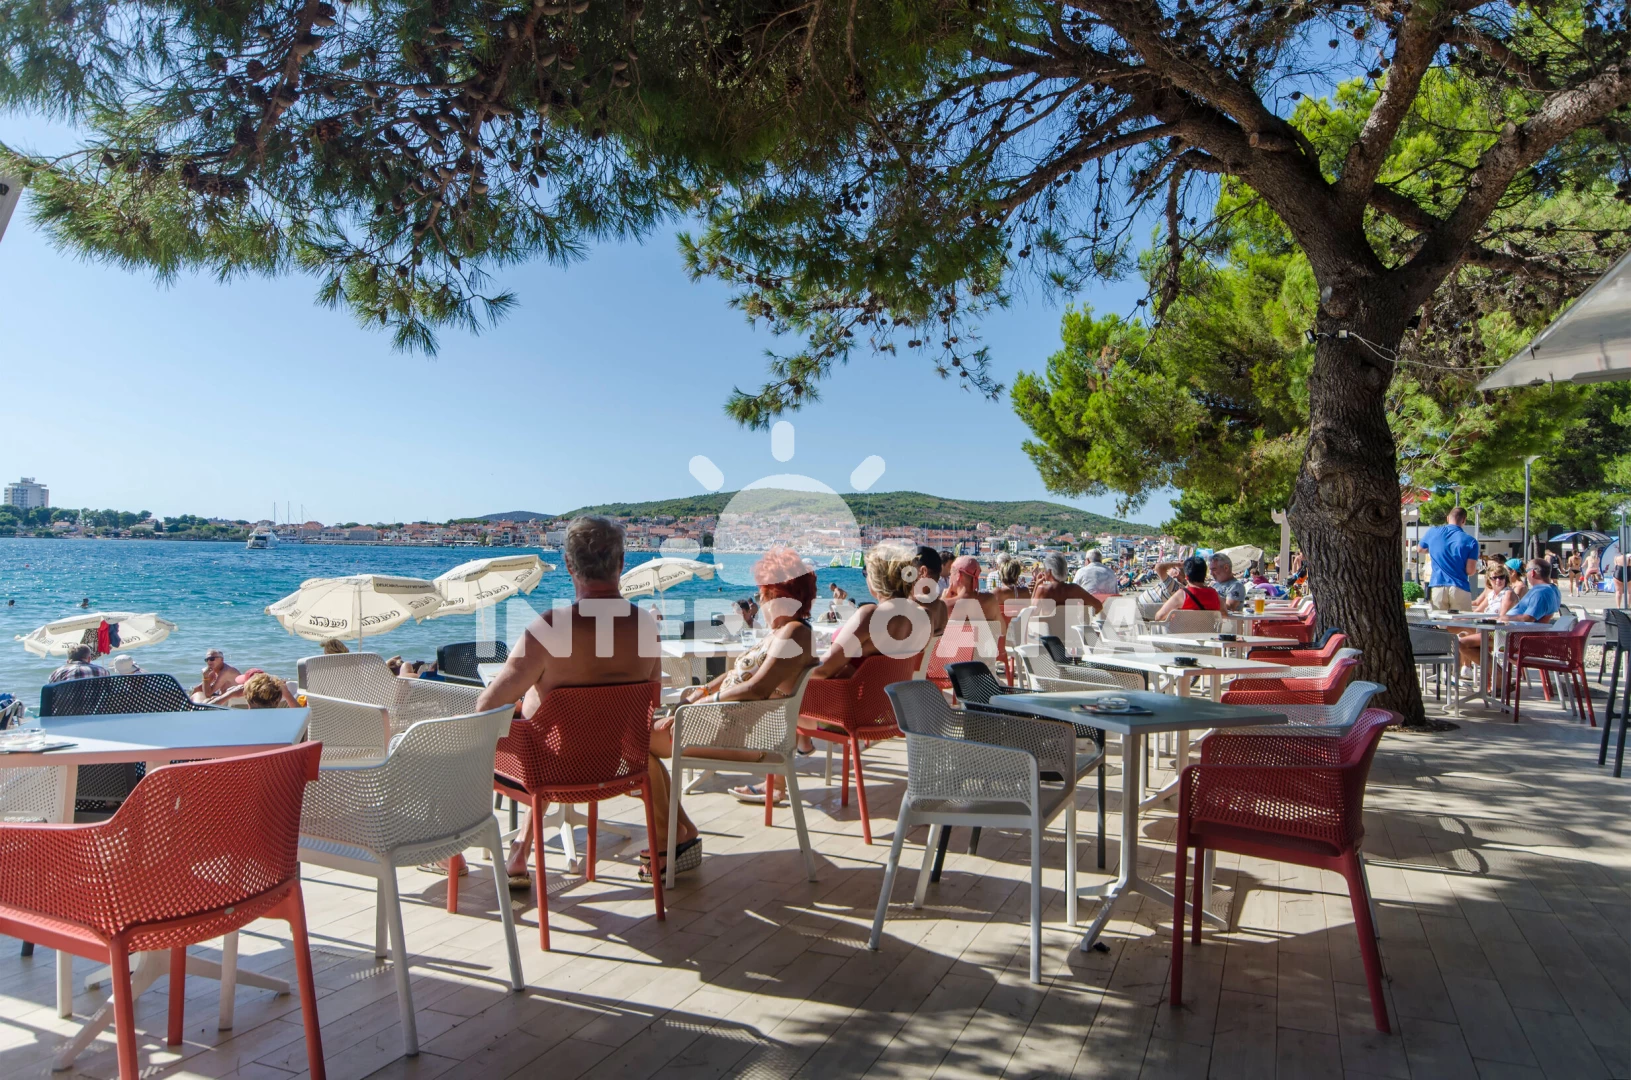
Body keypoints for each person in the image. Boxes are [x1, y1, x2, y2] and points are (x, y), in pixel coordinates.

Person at [476, 515, 680, 886]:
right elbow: (646, 703)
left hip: (549, 768)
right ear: (621, 563)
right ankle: (520, 850)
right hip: (617, 765)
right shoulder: (646, 627)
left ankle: (460, 853)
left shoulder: (549, 628)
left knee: (505, 732)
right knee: (554, 731)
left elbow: (485, 708)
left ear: (569, 566)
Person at [658, 548, 820, 805]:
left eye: (761, 596)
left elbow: (757, 689)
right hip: (725, 727)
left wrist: (702, 704)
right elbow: (736, 674)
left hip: (741, 738)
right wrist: (701, 692)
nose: (760, 604)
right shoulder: (784, 632)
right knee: (642, 734)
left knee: (637, 739)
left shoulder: (794, 634)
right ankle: (668, 818)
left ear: (774, 595)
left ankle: (669, 821)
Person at [1418, 507, 1481, 610]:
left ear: (1447, 518)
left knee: (1439, 619)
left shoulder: (1433, 532)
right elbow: (1470, 571)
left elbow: (1420, 549)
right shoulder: (1471, 541)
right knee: (1462, 620)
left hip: (1437, 585)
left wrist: (1436, 550)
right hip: (1460, 587)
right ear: (1464, 520)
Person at [1031, 551, 1103, 640]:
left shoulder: (1043, 589)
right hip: (1072, 636)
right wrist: (1085, 613)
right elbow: (1098, 606)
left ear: (1049, 571)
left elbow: (1032, 613)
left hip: (1049, 638)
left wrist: (1036, 585)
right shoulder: (1074, 589)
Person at [1457, 566, 1517, 670]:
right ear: (1489, 579)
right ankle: (1466, 669)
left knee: (1463, 640)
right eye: (1494, 578)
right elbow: (1477, 612)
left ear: (1506, 578)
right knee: (1461, 633)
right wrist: (1460, 616)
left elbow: (1502, 618)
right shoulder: (1491, 594)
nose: (1498, 580)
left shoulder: (1508, 593)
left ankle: (1495, 673)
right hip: (1487, 629)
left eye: (1501, 577)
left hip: (1502, 633)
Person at [1154, 555, 1223, 620]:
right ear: (1204, 575)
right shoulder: (1214, 594)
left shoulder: (1182, 594)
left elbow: (1158, 617)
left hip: (1184, 629)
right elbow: (1224, 614)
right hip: (1208, 629)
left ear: (1186, 577)